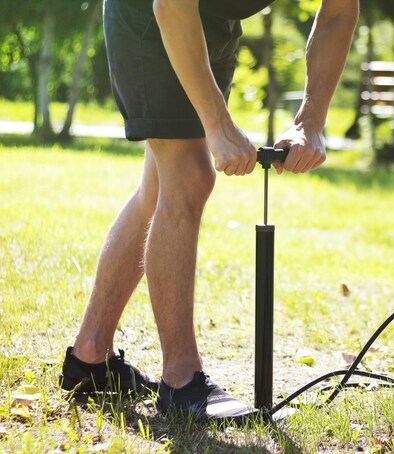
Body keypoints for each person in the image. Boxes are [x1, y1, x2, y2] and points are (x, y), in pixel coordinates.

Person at [59, 0, 359, 423]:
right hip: (152, 14)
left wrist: (311, 120)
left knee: (159, 188)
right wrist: (217, 124)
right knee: (190, 177)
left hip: (215, 24)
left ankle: (89, 357)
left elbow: (339, 12)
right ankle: (181, 381)